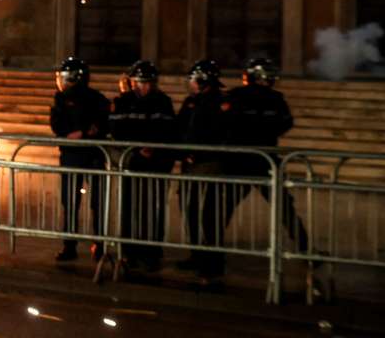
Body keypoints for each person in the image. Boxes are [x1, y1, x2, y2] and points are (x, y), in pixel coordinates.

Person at [221, 59, 310, 256]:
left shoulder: (235, 96)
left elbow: (224, 122)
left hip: (241, 160)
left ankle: (210, 250)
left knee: (224, 207)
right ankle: (304, 248)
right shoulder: (276, 98)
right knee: (284, 208)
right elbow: (285, 123)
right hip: (265, 159)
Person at [108, 59, 177, 271]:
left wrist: (152, 147)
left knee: (154, 210)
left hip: (156, 164)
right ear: (132, 82)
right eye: (140, 82)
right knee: (129, 208)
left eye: (147, 83)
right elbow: (117, 130)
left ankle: (152, 252)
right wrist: (138, 148)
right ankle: (129, 251)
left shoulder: (163, 102)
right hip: (133, 163)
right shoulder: (123, 101)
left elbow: (167, 130)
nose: (144, 87)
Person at [176, 59, 233, 281]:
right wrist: (183, 151)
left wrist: (198, 151)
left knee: (210, 214)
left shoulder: (220, 102)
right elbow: (180, 127)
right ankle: (197, 254)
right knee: (190, 210)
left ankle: (213, 261)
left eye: (193, 79)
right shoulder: (192, 101)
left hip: (210, 163)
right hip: (190, 164)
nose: (190, 83)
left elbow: (220, 133)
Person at [48, 57, 110, 261]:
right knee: (71, 202)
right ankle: (72, 244)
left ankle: (96, 244)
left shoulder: (95, 99)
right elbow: (57, 125)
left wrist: (81, 132)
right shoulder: (61, 98)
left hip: (90, 156)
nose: (61, 82)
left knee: (95, 203)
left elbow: (100, 125)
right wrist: (77, 132)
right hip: (73, 155)